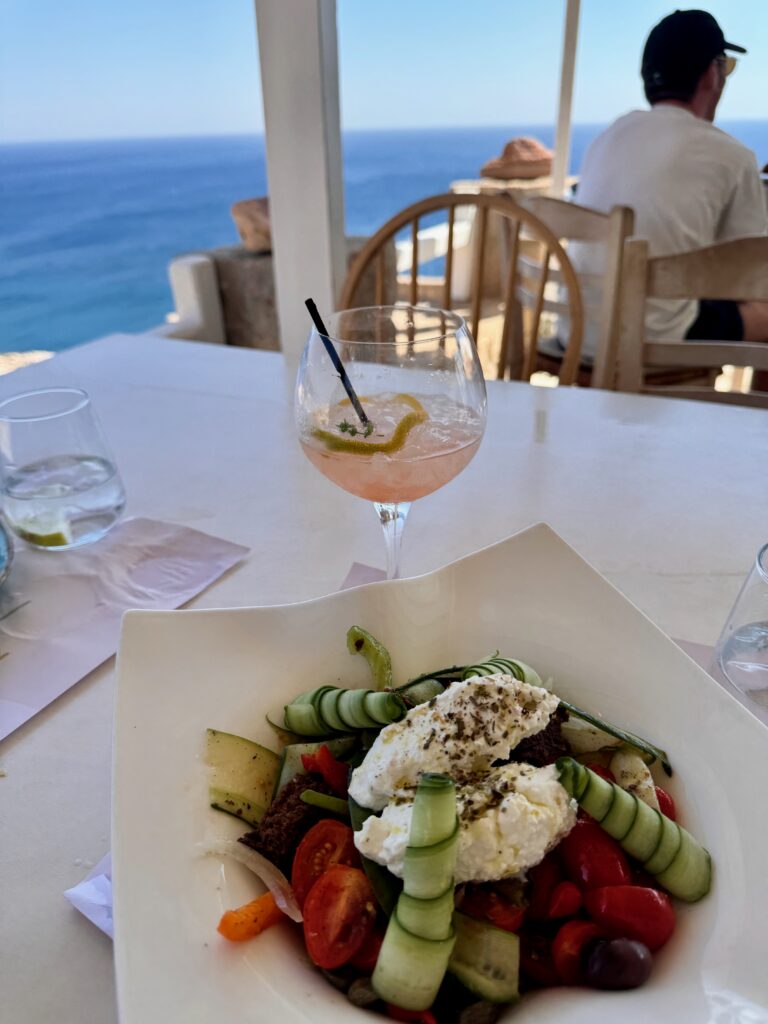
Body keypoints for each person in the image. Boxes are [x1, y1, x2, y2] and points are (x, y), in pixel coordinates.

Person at [571, 9, 768, 359]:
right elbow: (749, 276)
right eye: (727, 68)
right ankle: (751, 415)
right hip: (655, 340)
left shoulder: (607, 137)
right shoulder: (732, 155)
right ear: (712, 74)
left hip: (579, 334)